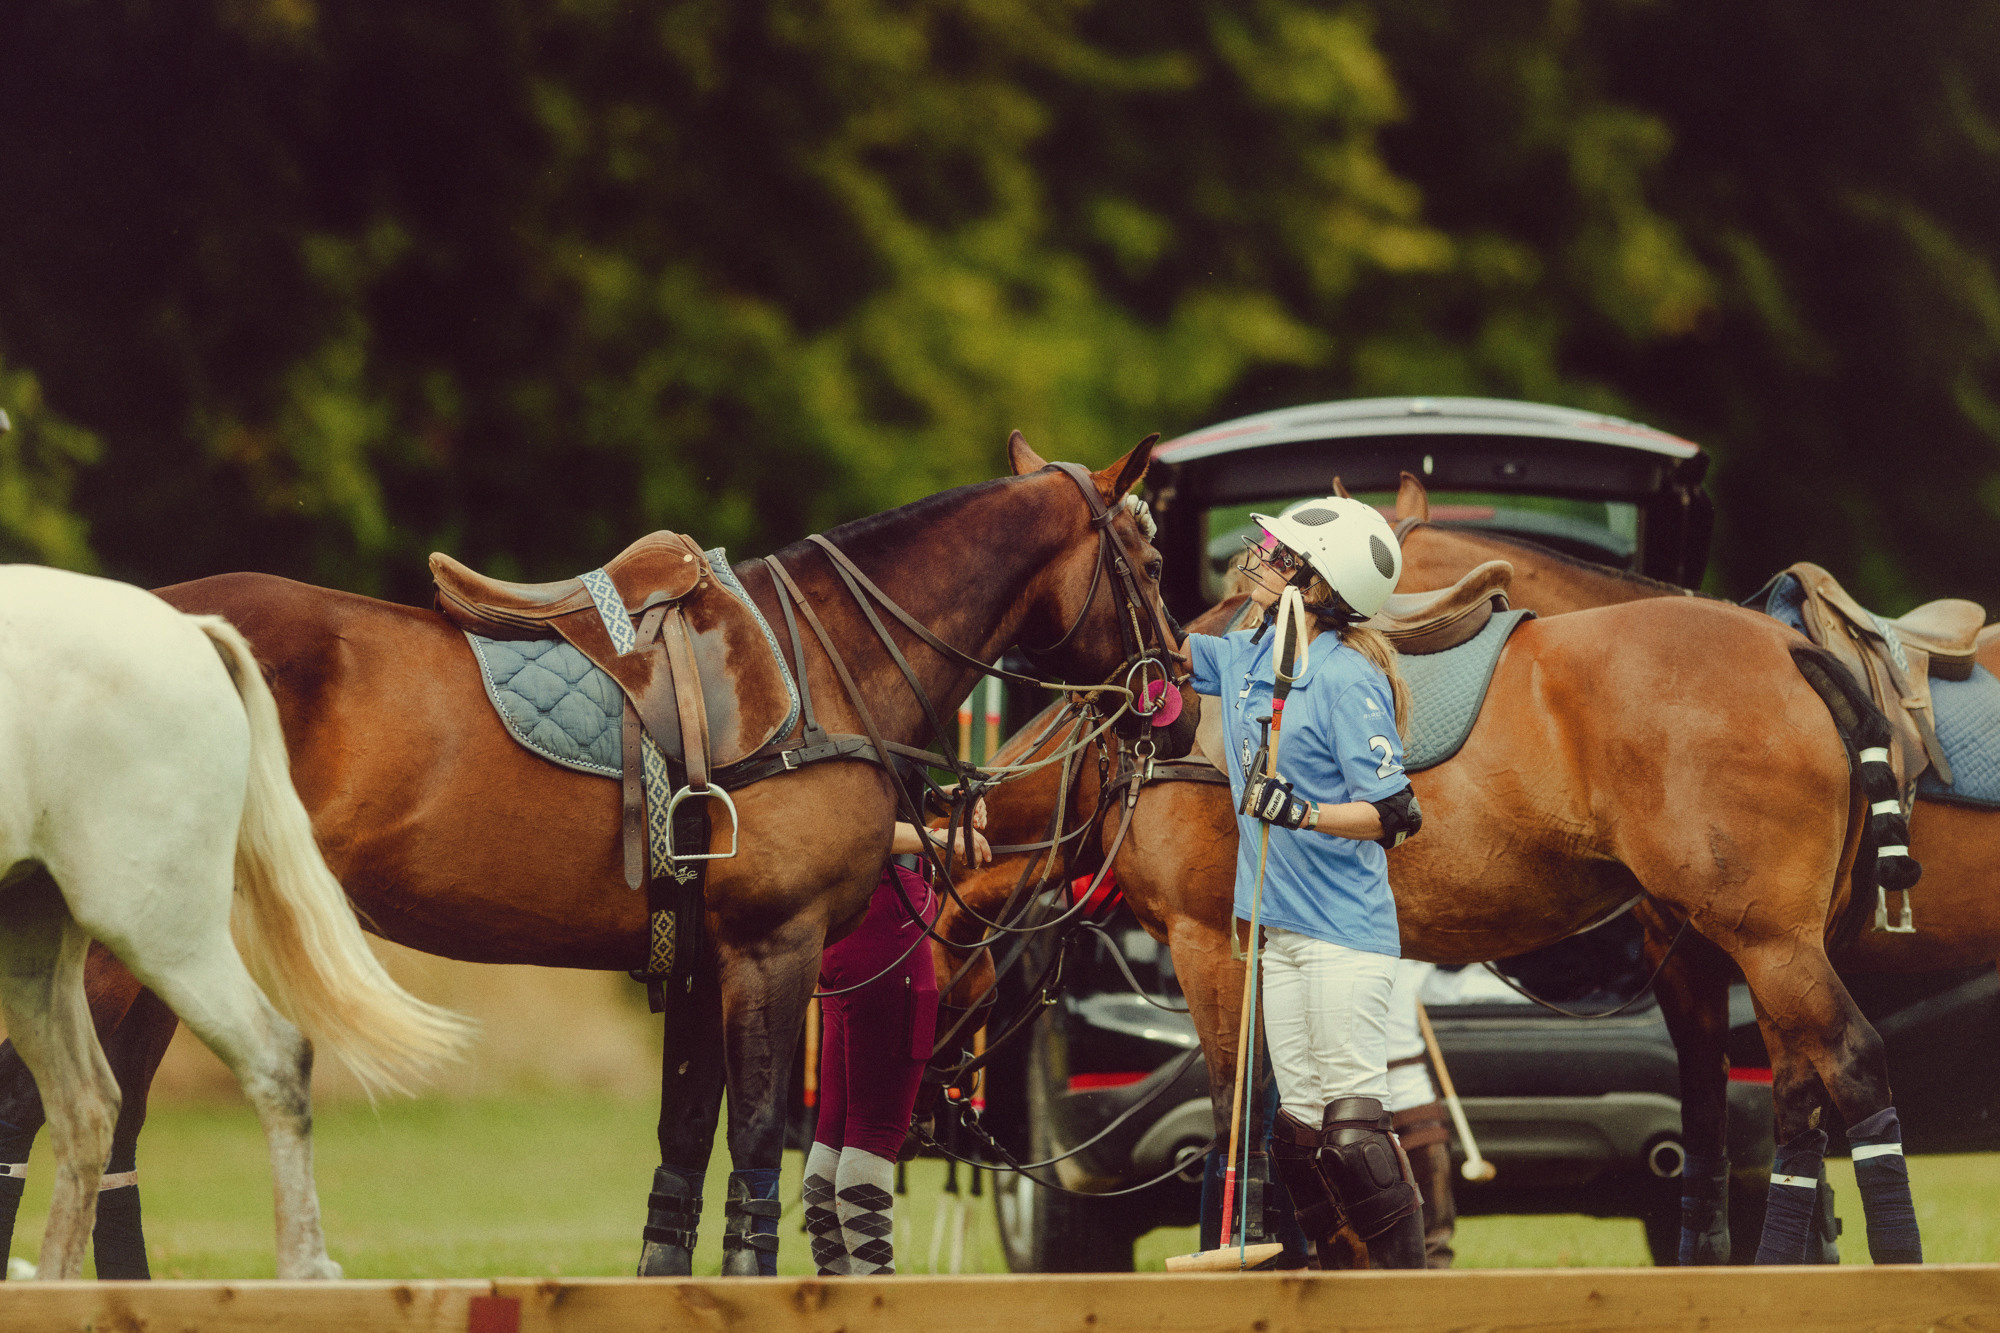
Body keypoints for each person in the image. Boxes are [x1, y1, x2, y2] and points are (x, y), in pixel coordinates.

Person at [1181, 495, 1427, 1269]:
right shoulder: (1252, 648)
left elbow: (1397, 811)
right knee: (1297, 1132)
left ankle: (1411, 1294)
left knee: (1353, 1128)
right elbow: (1165, 655)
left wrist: (1304, 810)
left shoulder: (1348, 677)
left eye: (1283, 555)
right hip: (1280, 932)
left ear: (1320, 583)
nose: (1262, 558)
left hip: (1345, 935)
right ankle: (1337, 1281)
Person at [802, 767, 990, 1277]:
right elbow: (852, 820)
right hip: (888, 927)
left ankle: (838, 1294)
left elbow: (873, 796)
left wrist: (938, 801)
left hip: (852, 933)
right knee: (873, 1135)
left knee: (835, 1134)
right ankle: (875, 1303)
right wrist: (936, 837)